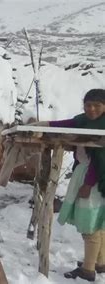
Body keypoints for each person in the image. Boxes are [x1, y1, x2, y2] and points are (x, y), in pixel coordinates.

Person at [31, 89, 105, 281]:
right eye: (88, 105)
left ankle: (88, 270)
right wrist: (45, 124)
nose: (92, 109)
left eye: (97, 105)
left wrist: (88, 184)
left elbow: (102, 160)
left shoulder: (102, 127)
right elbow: (67, 123)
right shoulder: (84, 121)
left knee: (90, 224)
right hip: (89, 174)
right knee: (98, 221)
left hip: (94, 179)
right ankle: (100, 262)